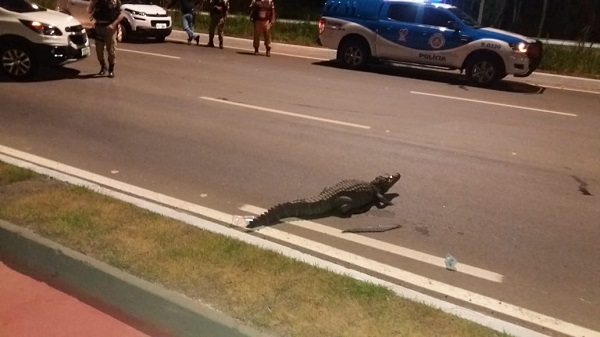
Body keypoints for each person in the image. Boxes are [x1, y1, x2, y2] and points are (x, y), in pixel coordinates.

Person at [88, 0, 124, 78]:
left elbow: (121, 14)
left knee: (111, 50)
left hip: (110, 28)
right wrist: (93, 2)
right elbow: (89, 11)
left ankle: (111, 70)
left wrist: (114, 24)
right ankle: (103, 66)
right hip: (99, 27)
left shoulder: (115, 1)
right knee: (99, 51)